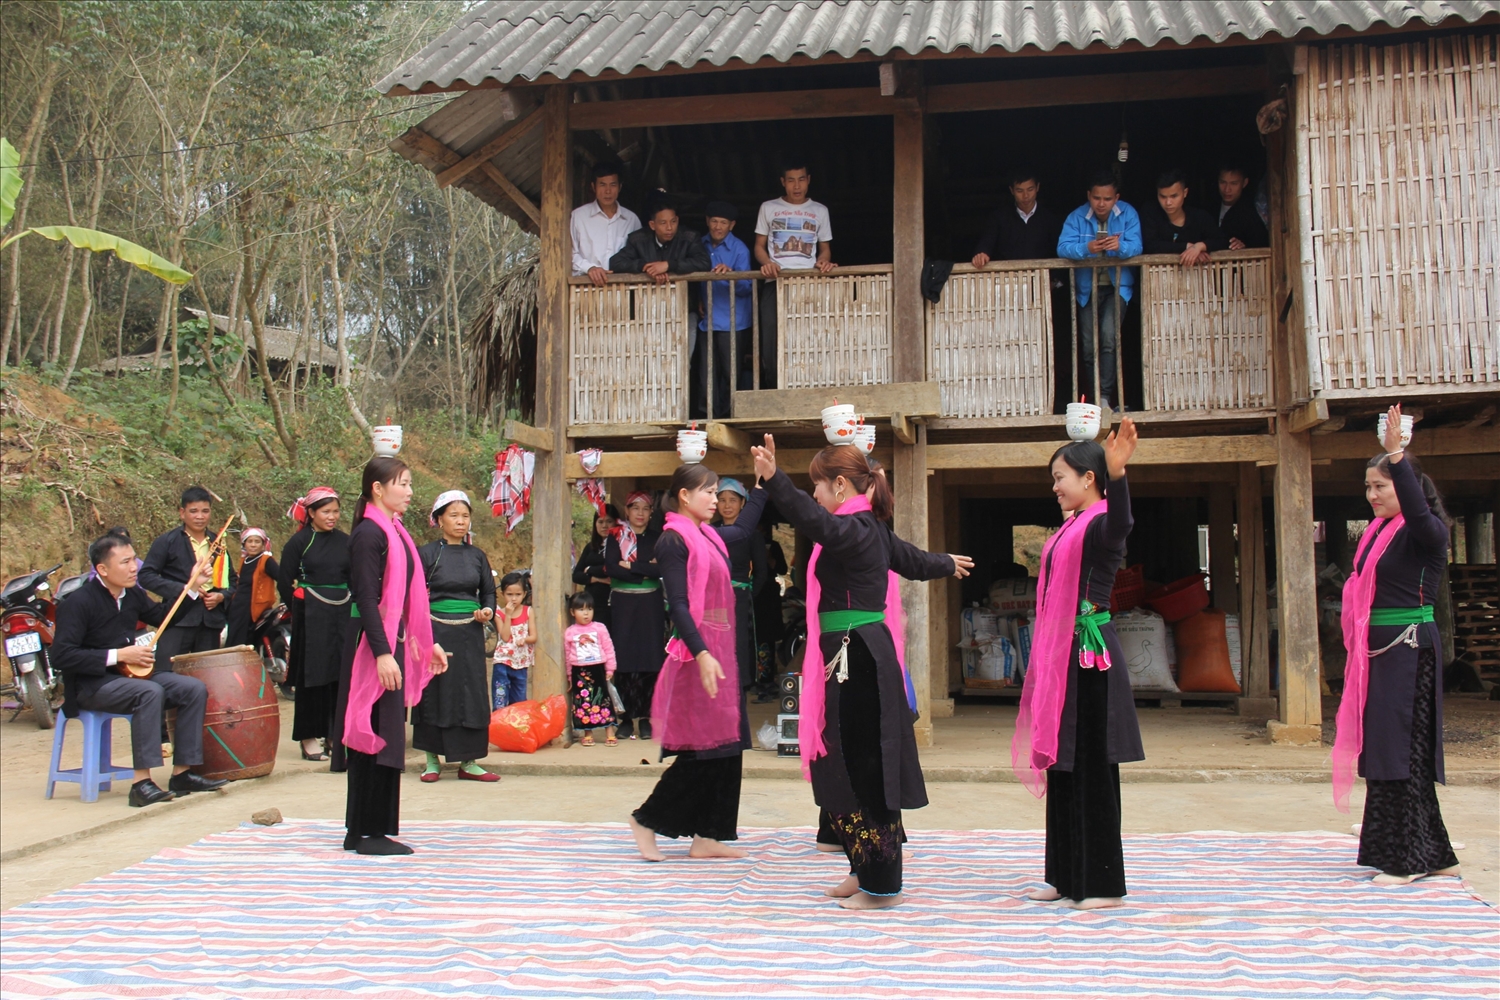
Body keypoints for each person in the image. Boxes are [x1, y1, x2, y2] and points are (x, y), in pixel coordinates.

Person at [751, 438, 973, 908]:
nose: (813, 495)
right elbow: (914, 560)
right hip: (852, 654)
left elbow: (813, 520)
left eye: (816, 485)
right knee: (848, 761)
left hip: (858, 657)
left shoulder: (852, 528)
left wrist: (774, 479)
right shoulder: (868, 528)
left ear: (839, 484)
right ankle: (861, 867)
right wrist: (946, 562)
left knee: (866, 765)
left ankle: (881, 884)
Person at [1012, 419, 1143, 911]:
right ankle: (1064, 875)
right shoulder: (1071, 526)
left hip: (1090, 657)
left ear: (1090, 479)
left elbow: (1123, 523)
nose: (1054, 487)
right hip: (1061, 656)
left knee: (1090, 765)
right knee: (1063, 763)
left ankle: (1102, 885)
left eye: (1060, 477)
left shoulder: (1103, 524)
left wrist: (1119, 474)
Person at [1332, 404, 1460, 886]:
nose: (1372, 495)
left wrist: (1397, 457)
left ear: (1407, 489)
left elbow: (1419, 510)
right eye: (1368, 487)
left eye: (1380, 486)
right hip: (1380, 655)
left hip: (1409, 651)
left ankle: (1407, 859)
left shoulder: (1427, 534)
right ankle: (1435, 853)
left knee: (1403, 750)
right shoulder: (1379, 533)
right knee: (1387, 750)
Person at [629, 464, 749, 862]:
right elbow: (678, 605)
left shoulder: (708, 535)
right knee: (704, 747)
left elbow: (745, 529)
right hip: (698, 651)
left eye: (716, 492)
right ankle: (646, 819)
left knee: (729, 744)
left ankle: (708, 835)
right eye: (709, 492)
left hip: (721, 646)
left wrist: (768, 484)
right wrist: (701, 652)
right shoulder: (673, 540)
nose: (715, 500)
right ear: (684, 495)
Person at [52, 533, 226, 806]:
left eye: (134, 559)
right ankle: (141, 784)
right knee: (149, 692)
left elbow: (163, 618)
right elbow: (61, 656)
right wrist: (118, 655)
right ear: (103, 569)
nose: (134, 567)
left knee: (192, 688)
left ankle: (182, 773)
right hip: (92, 685)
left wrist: (192, 587)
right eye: (125, 562)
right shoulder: (79, 602)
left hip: (130, 676)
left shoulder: (131, 594)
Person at [335, 456, 449, 856]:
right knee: (373, 732)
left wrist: (426, 642)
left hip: (388, 637)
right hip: (371, 642)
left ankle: (362, 829)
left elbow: (406, 597)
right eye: (402, 483)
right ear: (377, 489)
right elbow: (367, 598)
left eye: (410, 483)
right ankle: (367, 832)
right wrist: (383, 654)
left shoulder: (394, 529)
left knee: (383, 732)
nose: (410, 491)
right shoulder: (369, 533)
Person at [415, 490, 499, 784]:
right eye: (454, 515)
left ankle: (469, 761)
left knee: (470, 692)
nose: (461, 521)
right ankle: (431, 761)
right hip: (434, 631)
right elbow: (415, 595)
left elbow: (488, 592)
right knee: (435, 692)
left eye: (465, 516)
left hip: (470, 633)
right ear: (439, 520)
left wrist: (487, 611)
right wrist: (422, 631)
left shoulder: (477, 556)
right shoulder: (427, 554)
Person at [1057, 169, 1143, 412]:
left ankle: (1104, 397)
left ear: (1116, 198)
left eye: (1107, 199)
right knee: (1087, 346)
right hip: (1087, 290)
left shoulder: (1128, 214)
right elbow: (1062, 247)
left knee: (1108, 339)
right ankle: (1096, 398)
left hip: (1118, 289)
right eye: (1096, 198)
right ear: (1089, 196)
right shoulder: (1077, 217)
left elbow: (1137, 246)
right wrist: (1087, 248)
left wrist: (1120, 246)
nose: (1101, 204)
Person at [277, 487, 350, 764]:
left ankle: (333, 735)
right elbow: (284, 582)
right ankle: (308, 736)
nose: (332, 517)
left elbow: (353, 577)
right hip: (311, 615)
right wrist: (301, 607)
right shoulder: (299, 542)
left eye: (336, 511)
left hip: (341, 613)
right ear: (311, 513)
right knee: (311, 677)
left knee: (337, 676)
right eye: (326, 512)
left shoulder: (345, 541)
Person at [754, 161, 836, 389]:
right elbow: (759, 246)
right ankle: (774, 387)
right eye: (791, 180)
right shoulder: (768, 208)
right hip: (775, 282)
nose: (796, 186)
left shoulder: (820, 211)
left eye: (801, 179)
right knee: (772, 337)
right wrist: (767, 263)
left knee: (807, 336)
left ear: (808, 180)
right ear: (783, 182)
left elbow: (825, 249)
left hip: (807, 284)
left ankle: (807, 386)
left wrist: (823, 261)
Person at [139, 486, 232, 675]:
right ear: (182, 513)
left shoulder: (217, 543)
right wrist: (185, 589)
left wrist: (221, 597)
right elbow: (146, 575)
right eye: (194, 511)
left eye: (205, 511)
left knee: (207, 675)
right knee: (167, 671)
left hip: (210, 620)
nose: (200, 517)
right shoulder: (168, 541)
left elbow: (232, 580)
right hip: (178, 616)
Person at [607, 491, 666, 739]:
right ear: (627, 511)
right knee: (623, 657)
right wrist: (644, 570)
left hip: (650, 604)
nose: (640, 513)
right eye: (635, 508)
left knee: (650, 657)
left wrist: (631, 565)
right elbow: (611, 567)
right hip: (623, 604)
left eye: (645, 508)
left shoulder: (658, 538)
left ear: (651, 512)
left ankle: (645, 718)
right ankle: (625, 717)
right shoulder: (615, 536)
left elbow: (661, 568)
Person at [710, 477, 769, 703]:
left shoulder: (752, 534)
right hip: (714, 598)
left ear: (743, 503)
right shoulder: (709, 531)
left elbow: (761, 572)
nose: (727, 505)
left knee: (739, 645)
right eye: (722, 500)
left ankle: (740, 693)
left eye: (733, 500)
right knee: (715, 643)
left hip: (740, 598)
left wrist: (748, 594)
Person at [695, 200, 754, 418]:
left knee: (730, 374)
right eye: (714, 221)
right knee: (706, 373)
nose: (718, 227)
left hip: (733, 321)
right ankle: (707, 417)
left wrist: (732, 276)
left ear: (732, 225)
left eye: (723, 222)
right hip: (707, 320)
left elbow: (747, 288)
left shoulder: (739, 249)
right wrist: (698, 299)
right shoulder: (699, 245)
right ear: (707, 221)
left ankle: (730, 417)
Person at [971, 168, 1063, 266]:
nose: (1026, 196)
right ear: (1012, 190)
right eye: (1020, 191)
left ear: (1037, 187)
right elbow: (987, 242)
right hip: (1008, 274)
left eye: (1030, 189)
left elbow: (1059, 251)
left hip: (1041, 274)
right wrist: (982, 253)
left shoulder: (1050, 219)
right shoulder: (999, 217)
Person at [571, 160, 641, 287]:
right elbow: (570, 253)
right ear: (593, 187)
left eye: (613, 185)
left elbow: (640, 255)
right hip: (587, 289)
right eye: (602, 185)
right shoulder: (579, 216)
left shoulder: (632, 220)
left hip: (623, 290)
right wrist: (590, 268)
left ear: (620, 187)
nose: (608, 191)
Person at [608, 201, 711, 285]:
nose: (669, 227)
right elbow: (615, 262)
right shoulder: (638, 239)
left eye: (673, 221)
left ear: (677, 220)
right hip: (647, 300)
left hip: (682, 299)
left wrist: (669, 265)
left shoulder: (689, 237)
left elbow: (704, 262)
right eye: (663, 223)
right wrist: (646, 267)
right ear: (652, 225)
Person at [1141, 168, 1227, 267]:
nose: (1168, 202)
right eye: (1163, 197)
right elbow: (1150, 245)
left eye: (1174, 196)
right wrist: (1187, 247)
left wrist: (1200, 247)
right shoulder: (1150, 213)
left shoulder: (1199, 217)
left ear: (1185, 193)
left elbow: (1222, 240)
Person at [564, 591, 618, 746]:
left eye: (589, 609)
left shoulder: (600, 628)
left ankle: (609, 731)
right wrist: (569, 676)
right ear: (572, 612)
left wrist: (610, 668)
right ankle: (588, 733)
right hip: (579, 672)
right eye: (581, 609)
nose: (586, 613)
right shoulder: (570, 632)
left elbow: (608, 648)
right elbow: (568, 655)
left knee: (603, 699)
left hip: (598, 669)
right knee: (583, 702)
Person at [226, 528, 279, 648]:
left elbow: (281, 577)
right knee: (234, 638)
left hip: (254, 606)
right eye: (250, 541)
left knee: (245, 639)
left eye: (257, 541)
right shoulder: (245, 560)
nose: (253, 545)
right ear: (244, 544)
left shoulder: (266, 560)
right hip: (238, 606)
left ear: (263, 544)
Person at [572, 505, 619, 627]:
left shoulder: (621, 546)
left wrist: (590, 569)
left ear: (616, 522)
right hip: (592, 605)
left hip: (612, 602)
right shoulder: (591, 547)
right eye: (600, 522)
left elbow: (611, 569)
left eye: (609, 521)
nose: (604, 526)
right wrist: (596, 579)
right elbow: (576, 575)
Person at [492, 572, 533, 709]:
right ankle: (499, 723)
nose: (514, 598)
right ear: (503, 594)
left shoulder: (528, 611)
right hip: (502, 662)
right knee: (500, 701)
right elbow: (505, 637)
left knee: (519, 702)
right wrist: (508, 615)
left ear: (524, 594)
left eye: (518, 594)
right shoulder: (499, 614)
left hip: (521, 663)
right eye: (509, 594)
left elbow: (534, 636)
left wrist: (525, 639)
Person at [1216, 164, 1269, 250]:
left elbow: (1261, 244)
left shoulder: (1252, 213)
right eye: (1223, 182)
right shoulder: (1209, 209)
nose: (1227, 189)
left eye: (1234, 183)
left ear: (1244, 183)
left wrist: (1244, 247)